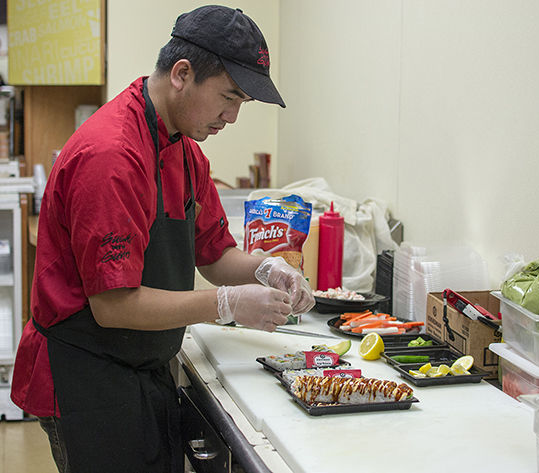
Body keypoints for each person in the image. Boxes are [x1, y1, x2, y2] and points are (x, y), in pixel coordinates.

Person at [10, 6, 314, 473]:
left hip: (144, 365)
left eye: (242, 105)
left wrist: (267, 269)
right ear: (182, 73)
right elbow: (115, 306)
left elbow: (214, 253)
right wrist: (227, 304)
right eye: (228, 97)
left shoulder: (185, 151)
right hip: (87, 377)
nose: (231, 117)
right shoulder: (111, 156)